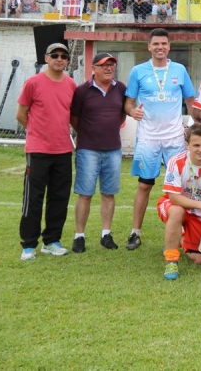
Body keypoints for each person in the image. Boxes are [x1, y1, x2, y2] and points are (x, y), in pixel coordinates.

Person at [124, 29, 196, 252]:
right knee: (144, 185)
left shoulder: (179, 70)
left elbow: (191, 101)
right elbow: (128, 103)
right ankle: (135, 232)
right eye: (156, 44)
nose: (160, 47)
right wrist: (132, 112)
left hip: (174, 138)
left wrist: (193, 127)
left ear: (169, 46)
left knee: (182, 187)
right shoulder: (138, 71)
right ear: (149, 46)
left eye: (164, 43)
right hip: (148, 138)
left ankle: (187, 231)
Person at [16, 42, 77, 260]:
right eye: (55, 55)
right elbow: (21, 114)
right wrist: (38, 133)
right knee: (33, 198)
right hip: (38, 150)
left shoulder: (71, 84)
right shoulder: (33, 82)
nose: (59, 59)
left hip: (62, 150)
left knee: (59, 198)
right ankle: (29, 245)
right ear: (46, 57)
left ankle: (51, 241)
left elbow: (70, 115)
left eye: (64, 56)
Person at [69, 52, 127, 253]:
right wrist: (89, 134)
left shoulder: (120, 88)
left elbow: (121, 115)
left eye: (112, 64)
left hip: (113, 149)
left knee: (108, 193)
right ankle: (79, 236)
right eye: (104, 65)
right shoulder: (82, 91)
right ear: (93, 68)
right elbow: (74, 118)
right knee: (85, 194)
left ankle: (106, 234)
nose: (109, 68)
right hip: (88, 150)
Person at [157, 125, 201, 280]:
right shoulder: (176, 162)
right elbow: (173, 197)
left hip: (197, 214)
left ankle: (178, 239)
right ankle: (171, 260)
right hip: (172, 205)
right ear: (187, 145)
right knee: (177, 211)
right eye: (196, 145)